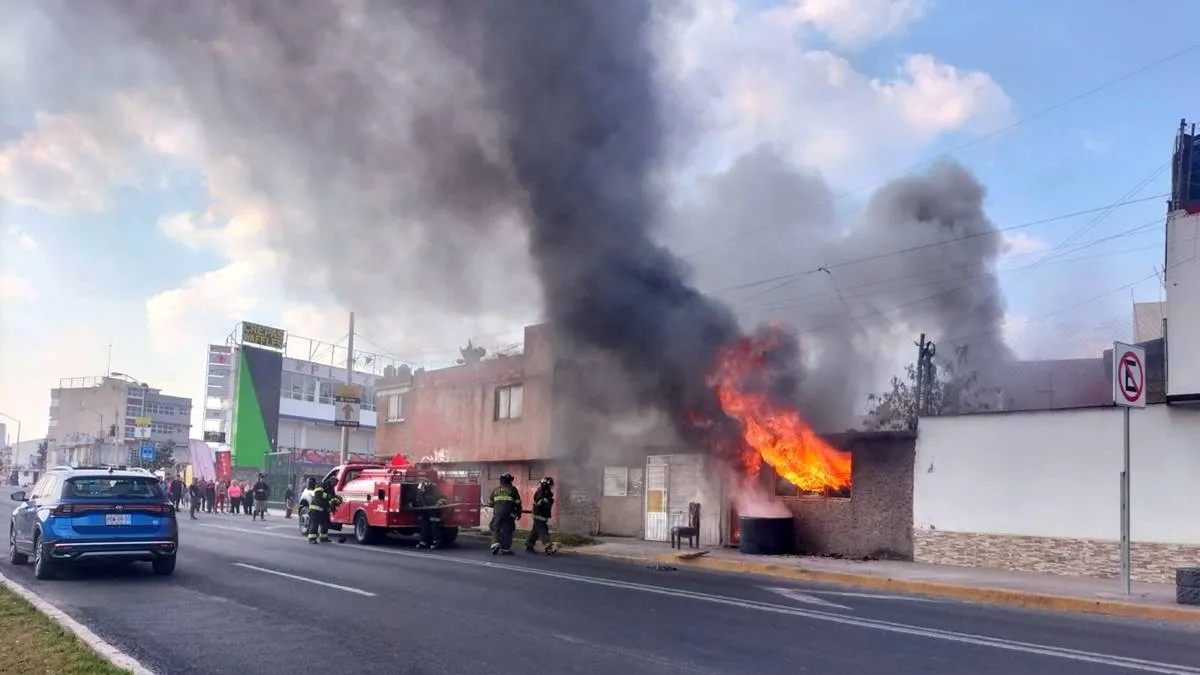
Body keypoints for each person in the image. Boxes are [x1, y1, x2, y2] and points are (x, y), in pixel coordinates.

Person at [487, 473, 522, 555]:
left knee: (495, 526)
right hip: (510, 514)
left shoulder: (496, 490)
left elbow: (490, 503)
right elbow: (518, 503)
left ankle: (495, 543)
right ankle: (505, 549)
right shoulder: (513, 489)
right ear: (510, 481)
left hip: (498, 513)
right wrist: (519, 513)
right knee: (508, 529)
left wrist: (497, 505)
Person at [411, 479, 447, 549]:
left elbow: (443, 498)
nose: (421, 490)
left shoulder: (435, 491)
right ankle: (423, 542)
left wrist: (439, 504)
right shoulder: (421, 492)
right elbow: (418, 500)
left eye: (422, 488)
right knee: (424, 526)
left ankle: (437, 542)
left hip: (434, 512)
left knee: (435, 527)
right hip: (425, 512)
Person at [525, 476, 557, 554]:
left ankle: (529, 544)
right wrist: (544, 501)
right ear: (547, 484)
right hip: (539, 515)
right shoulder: (542, 492)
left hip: (541, 514)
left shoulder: (546, 492)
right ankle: (548, 545)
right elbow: (539, 501)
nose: (551, 486)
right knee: (543, 530)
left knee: (535, 530)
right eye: (550, 485)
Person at [307, 478, 332, 544]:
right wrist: (327, 496)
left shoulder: (331, 488)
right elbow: (318, 492)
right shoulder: (322, 484)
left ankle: (323, 538)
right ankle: (312, 538)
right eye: (334, 482)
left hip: (323, 509)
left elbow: (331, 497)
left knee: (325, 524)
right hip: (315, 508)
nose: (335, 484)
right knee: (315, 524)